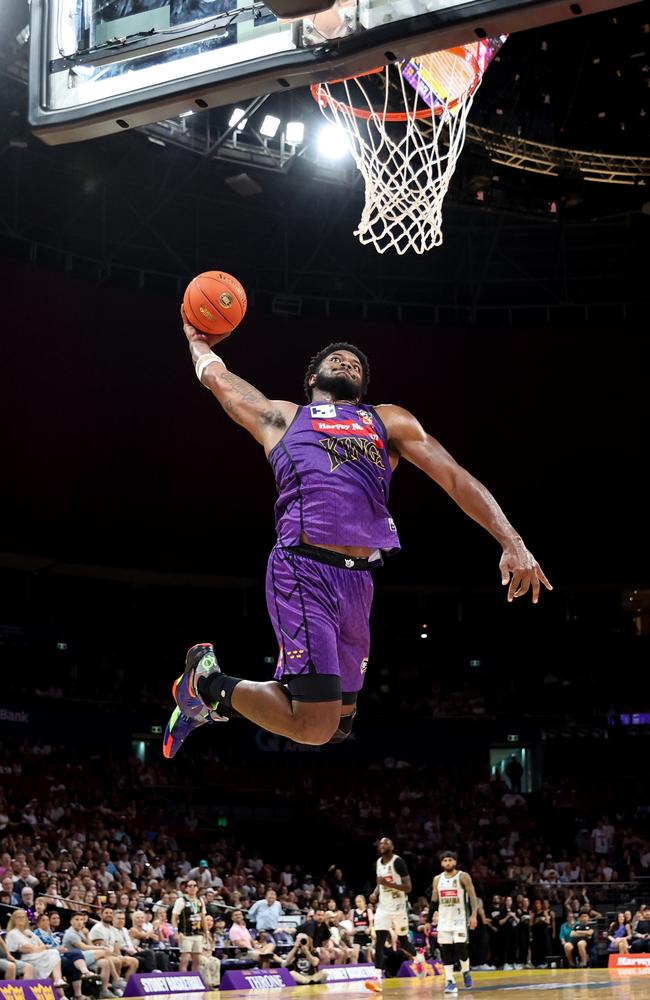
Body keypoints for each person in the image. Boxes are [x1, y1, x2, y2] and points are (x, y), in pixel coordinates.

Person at [163, 323, 552, 757]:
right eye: (337, 359)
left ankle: (214, 698)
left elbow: (454, 476)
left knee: (337, 728)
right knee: (313, 726)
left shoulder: (387, 420)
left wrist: (511, 539)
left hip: (358, 581)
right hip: (302, 567)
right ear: (313, 378)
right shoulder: (285, 417)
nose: (348, 361)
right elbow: (223, 383)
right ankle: (205, 682)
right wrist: (198, 344)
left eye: (357, 364)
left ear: (364, 386)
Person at [424, 851, 477, 995]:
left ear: (455, 862)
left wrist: (473, 915)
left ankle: (465, 971)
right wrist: (428, 921)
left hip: (460, 919)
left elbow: (473, 897)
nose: (448, 863)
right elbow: (434, 901)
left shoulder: (463, 876)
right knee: (445, 951)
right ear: (441, 863)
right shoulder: (437, 879)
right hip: (444, 920)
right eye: (445, 860)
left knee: (461, 949)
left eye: (450, 860)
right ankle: (450, 981)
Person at [366, 837, 415, 991]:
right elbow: (379, 884)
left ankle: (419, 956)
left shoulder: (398, 862)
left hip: (399, 907)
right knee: (379, 941)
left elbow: (408, 887)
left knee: (403, 941)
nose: (382, 845)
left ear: (392, 847)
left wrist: (389, 884)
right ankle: (376, 977)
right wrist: (374, 894)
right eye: (380, 843)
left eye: (386, 843)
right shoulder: (378, 863)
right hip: (383, 908)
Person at [5, 909, 66, 987]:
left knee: (53, 953)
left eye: (23, 917)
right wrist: (38, 948)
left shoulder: (28, 931)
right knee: (53, 953)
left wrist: (37, 948)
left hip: (35, 955)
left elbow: (42, 945)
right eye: (18, 917)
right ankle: (56, 982)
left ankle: (58, 981)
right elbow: (28, 948)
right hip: (21, 958)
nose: (21, 919)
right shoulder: (13, 933)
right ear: (13, 919)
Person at [171, 880, 207, 972]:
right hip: (185, 934)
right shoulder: (181, 900)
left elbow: (203, 917)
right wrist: (176, 932)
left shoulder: (200, 900)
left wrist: (206, 932)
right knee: (184, 960)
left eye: (195, 885)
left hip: (198, 933)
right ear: (186, 888)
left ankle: (195, 980)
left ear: (197, 888)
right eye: (190, 886)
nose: (192, 887)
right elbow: (174, 917)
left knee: (197, 960)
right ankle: (183, 980)